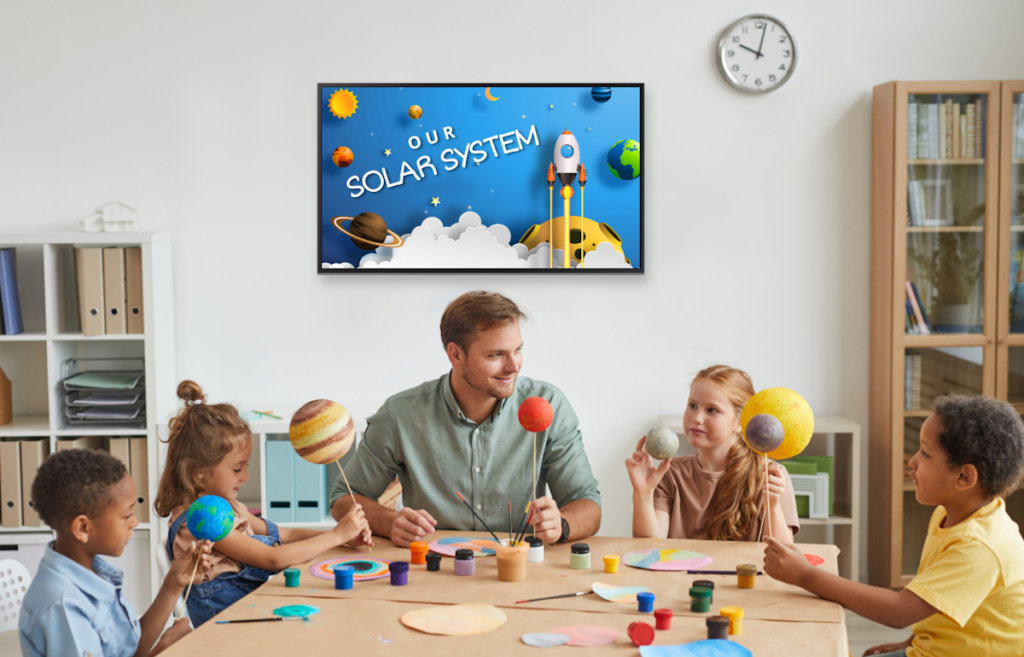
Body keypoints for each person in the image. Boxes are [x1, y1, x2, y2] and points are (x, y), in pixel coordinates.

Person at [330, 290, 601, 547]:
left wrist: (562, 524)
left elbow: (587, 503)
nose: (514, 366)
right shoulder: (401, 415)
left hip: (521, 564)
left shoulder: (548, 405)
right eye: (496, 355)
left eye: (517, 350)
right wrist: (389, 522)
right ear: (456, 355)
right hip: (432, 569)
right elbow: (344, 498)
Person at [764, 394, 1024, 657]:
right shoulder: (951, 516)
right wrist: (910, 643)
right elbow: (937, 599)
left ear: (964, 476)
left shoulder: (978, 546)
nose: (912, 462)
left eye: (925, 453)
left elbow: (901, 610)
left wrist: (805, 575)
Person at [155, 380, 371, 627]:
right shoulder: (204, 522)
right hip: (231, 632)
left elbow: (281, 533)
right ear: (200, 473)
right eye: (238, 469)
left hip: (251, 612)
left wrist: (342, 536)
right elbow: (272, 559)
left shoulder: (227, 505)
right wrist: (335, 536)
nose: (245, 477)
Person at [18, 448, 212, 657]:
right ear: (83, 528)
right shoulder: (63, 607)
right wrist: (165, 650)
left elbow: (128, 649)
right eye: (126, 515)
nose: (134, 522)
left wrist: (174, 582)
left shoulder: (91, 571)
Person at [625, 364, 799, 542]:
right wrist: (643, 493)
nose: (697, 418)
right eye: (692, 405)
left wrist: (772, 505)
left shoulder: (769, 475)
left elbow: (783, 554)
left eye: (711, 410)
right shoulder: (670, 473)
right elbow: (649, 546)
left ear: (740, 422)